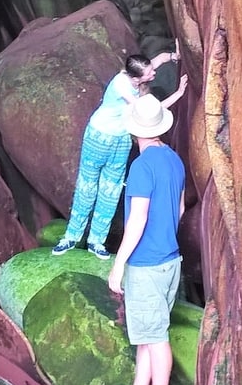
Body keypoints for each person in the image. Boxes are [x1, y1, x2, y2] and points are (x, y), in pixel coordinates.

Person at [96, 93, 186, 385]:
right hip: (171, 260)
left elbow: (136, 220)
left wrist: (119, 264)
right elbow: (178, 211)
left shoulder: (141, 167)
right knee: (150, 335)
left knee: (156, 337)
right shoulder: (174, 160)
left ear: (135, 131)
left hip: (147, 264)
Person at [52, 43, 187, 258]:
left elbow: (159, 59)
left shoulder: (138, 73)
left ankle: (97, 241)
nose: (153, 73)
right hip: (99, 137)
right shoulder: (122, 86)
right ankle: (71, 237)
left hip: (122, 140)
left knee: (111, 191)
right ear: (137, 78)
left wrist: (175, 55)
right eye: (149, 73)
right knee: (87, 187)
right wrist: (179, 94)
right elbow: (148, 111)